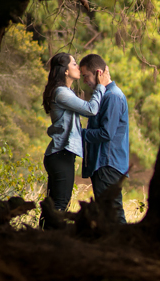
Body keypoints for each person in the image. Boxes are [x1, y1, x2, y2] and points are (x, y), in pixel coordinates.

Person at [41, 53, 105, 228]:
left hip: (60, 155)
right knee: (61, 204)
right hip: (60, 156)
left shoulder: (65, 92)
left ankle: (42, 238)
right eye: (75, 64)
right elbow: (91, 109)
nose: (78, 68)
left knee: (53, 205)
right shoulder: (61, 92)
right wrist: (100, 86)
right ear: (66, 71)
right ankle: (52, 243)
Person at [79, 53, 130, 223]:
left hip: (107, 165)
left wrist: (79, 133)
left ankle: (125, 247)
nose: (84, 81)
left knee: (113, 213)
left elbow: (106, 134)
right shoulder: (104, 96)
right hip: (103, 164)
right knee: (106, 213)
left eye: (86, 76)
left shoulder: (112, 96)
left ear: (99, 73)